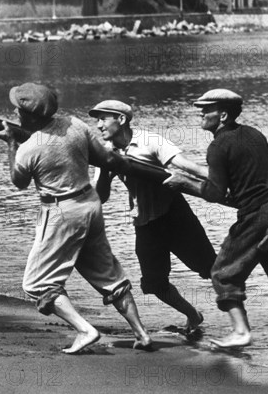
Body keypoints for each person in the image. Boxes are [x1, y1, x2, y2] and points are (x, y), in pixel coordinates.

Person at [0, 83, 153, 354]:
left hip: (61, 214)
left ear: (28, 116)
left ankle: (85, 330)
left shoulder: (29, 148)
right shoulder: (75, 125)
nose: (15, 111)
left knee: (36, 283)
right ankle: (142, 333)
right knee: (108, 275)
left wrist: (12, 143)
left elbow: (18, 181)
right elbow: (106, 158)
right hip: (90, 206)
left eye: (18, 109)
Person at [163, 89, 268, 348]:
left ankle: (241, 332)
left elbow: (215, 192)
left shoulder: (218, 146)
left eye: (207, 109)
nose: (201, 113)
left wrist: (184, 182)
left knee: (223, 273)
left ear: (224, 115)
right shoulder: (254, 134)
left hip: (257, 214)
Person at [88, 100, 217, 336]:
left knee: (213, 270)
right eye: (96, 120)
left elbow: (187, 167)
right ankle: (193, 316)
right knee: (155, 284)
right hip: (145, 224)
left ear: (121, 120)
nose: (98, 126)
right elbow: (102, 196)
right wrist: (105, 168)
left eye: (102, 119)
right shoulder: (104, 151)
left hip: (175, 216)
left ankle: (241, 326)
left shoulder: (151, 141)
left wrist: (223, 184)